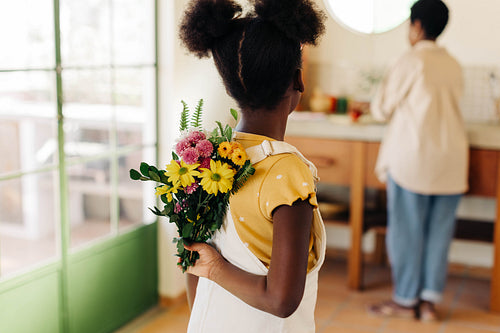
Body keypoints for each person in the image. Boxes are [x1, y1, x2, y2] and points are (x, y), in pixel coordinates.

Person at [178, 0, 327, 332]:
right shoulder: (287, 172)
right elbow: (281, 301)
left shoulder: (204, 161)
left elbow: (193, 264)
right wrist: (217, 268)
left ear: (231, 87)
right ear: (298, 82)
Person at [368, 0, 468, 322]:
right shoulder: (453, 63)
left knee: (407, 231)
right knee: (439, 233)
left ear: (417, 25)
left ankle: (404, 299)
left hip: (414, 158)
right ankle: (428, 304)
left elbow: (381, 108)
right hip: (451, 158)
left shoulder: (410, 60)